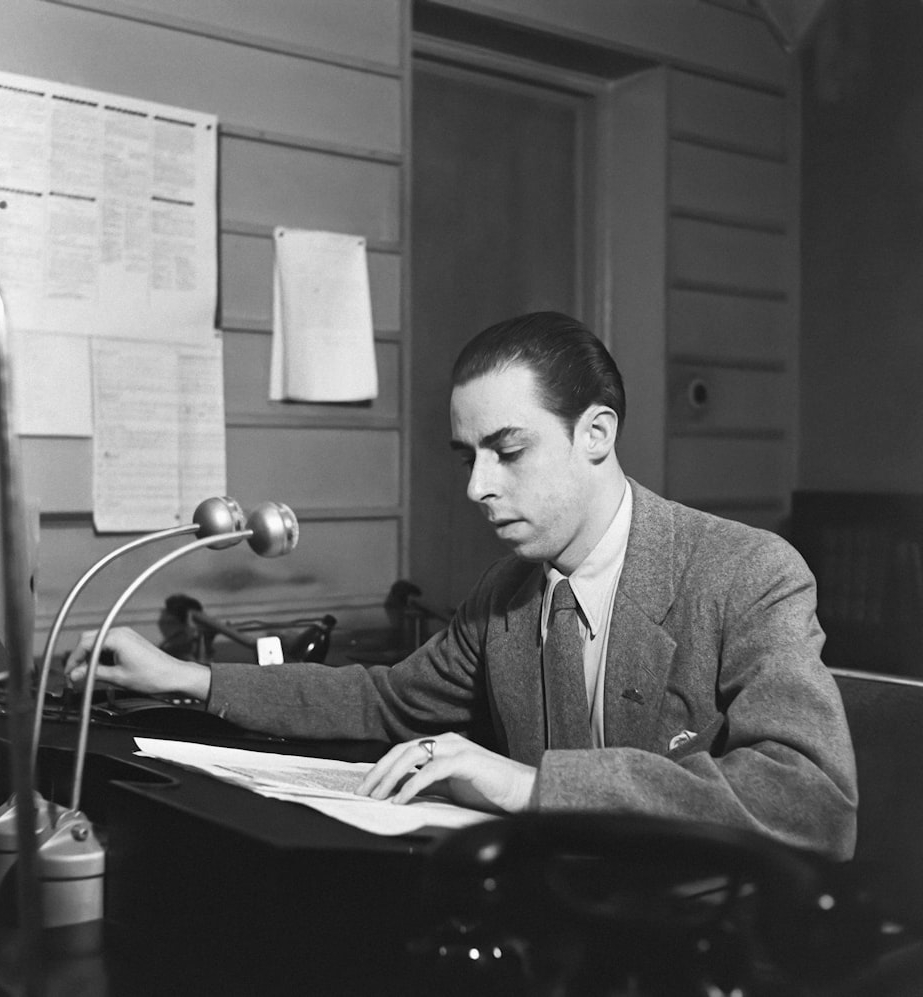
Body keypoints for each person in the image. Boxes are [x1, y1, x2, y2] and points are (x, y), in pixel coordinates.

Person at [66, 311, 857, 860]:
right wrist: (189, 678)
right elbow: (382, 700)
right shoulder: (508, 593)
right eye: (466, 455)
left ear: (597, 433)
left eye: (507, 450)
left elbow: (812, 801)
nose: (478, 486)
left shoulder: (747, 571)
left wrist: (527, 785)